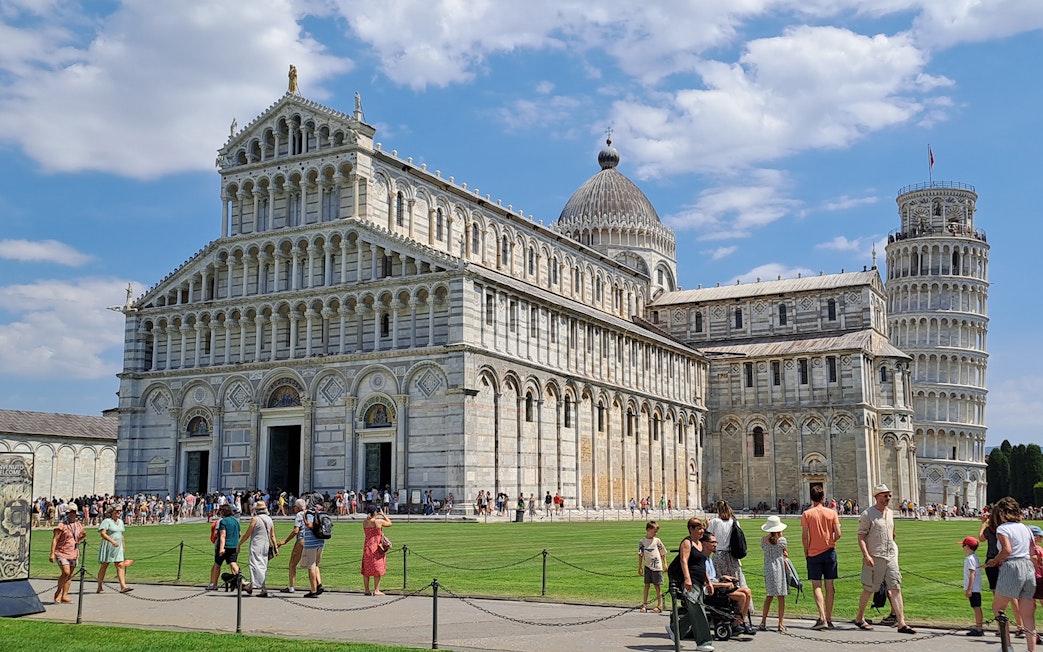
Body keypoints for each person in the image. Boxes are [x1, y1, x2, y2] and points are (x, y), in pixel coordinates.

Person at [853, 484, 915, 634]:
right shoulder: (868, 514)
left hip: (890, 556)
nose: (888, 498)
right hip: (875, 556)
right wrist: (866, 555)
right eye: (884, 496)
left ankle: (901, 623)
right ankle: (859, 618)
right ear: (876, 497)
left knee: (895, 587)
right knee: (869, 589)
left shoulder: (890, 513)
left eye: (889, 495)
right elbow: (861, 537)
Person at [983, 496, 1039, 651]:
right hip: (1028, 566)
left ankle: (1007, 646)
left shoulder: (1003, 528)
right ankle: (1031, 650)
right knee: (1028, 615)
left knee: (999, 608)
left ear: (1002, 513)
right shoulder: (1026, 528)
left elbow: (1007, 550)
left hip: (1012, 566)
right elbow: (1033, 551)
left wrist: (993, 561)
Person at [665, 518, 715, 652]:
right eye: (699, 529)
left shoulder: (700, 544)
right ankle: (703, 642)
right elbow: (683, 561)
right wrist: (687, 579)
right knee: (699, 610)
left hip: (699, 581)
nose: (702, 531)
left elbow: (702, 564)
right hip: (690, 582)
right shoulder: (687, 543)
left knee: (695, 610)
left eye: (702, 528)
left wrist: (708, 581)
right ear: (691, 529)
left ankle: (676, 629)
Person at [802, 483, 842, 629]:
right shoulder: (832, 513)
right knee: (830, 586)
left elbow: (805, 536)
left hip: (813, 553)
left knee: (816, 586)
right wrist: (830, 540)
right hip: (830, 552)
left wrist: (806, 551)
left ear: (811, 498)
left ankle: (822, 617)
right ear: (823, 498)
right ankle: (829, 618)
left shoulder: (807, 514)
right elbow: (838, 534)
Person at [703, 533, 756, 635]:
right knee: (741, 596)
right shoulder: (702, 560)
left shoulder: (709, 558)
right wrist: (724, 585)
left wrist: (723, 578)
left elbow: (713, 578)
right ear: (705, 544)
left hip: (717, 585)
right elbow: (705, 582)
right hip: (711, 591)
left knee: (747, 591)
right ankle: (736, 624)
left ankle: (740, 621)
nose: (715, 544)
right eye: (713, 542)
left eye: (716, 542)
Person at [706, 501, 750, 592]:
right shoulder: (734, 522)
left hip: (719, 555)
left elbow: (707, 537)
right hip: (732, 555)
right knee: (737, 580)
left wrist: (707, 525)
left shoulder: (714, 522)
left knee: (720, 581)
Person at [238, 500, 277, 597]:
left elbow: (247, 534)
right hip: (266, 544)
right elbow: (272, 535)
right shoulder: (269, 519)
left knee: (254, 564)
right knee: (263, 565)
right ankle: (259, 587)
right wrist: (275, 546)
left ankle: (255, 585)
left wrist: (239, 544)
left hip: (256, 544)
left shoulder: (255, 519)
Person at [758, 515, 790, 632]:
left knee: (769, 596)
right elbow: (785, 553)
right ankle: (780, 623)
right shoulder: (782, 541)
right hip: (779, 568)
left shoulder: (763, 540)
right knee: (781, 597)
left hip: (768, 568)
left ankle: (763, 621)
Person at [50, 506, 86, 603]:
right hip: (62, 552)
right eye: (70, 512)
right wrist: (52, 553)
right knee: (65, 572)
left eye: (74, 513)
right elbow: (55, 539)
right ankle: (58, 593)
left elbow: (78, 537)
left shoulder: (78, 525)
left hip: (73, 552)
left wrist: (82, 537)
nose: (72, 514)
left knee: (69, 575)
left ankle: (64, 596)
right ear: (67, 514)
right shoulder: (62, 525)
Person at [96, 505, 132, 593]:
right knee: (104, 566)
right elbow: (103, 534)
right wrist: (112, 541)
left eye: (120, 511)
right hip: (108, 545)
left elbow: (121, 535)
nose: (119, 512)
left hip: (118, 546)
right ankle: (99, 586)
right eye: (117, 511)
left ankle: (123, 586)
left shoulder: (120, 522)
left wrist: (123, 546)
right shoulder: (107, 521)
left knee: (120, 565)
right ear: (111, 512)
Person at [207, 504, 241, 591]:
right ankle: (241, 581)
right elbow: (239, 534)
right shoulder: (236, 521)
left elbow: (222, 536)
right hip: (233, 545)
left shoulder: (223, 521)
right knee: (233, 563)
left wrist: (221, 548)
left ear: (223, 512)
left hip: (224, 546)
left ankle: (214, 584)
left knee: (217, 565)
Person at [362, 503, 392, 595]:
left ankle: (367, 590)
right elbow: (390, 523)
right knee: (378, 568)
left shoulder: (365, 522)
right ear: (375, 512)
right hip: (376, 547)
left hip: (367, 546)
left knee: (366, 569)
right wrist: (383, 515)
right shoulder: (378, 521)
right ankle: (376, 590)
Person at [277, 498, 307, 593]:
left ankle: (291, 587)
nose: (294, 508)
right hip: (310, 541)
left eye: (295, 506)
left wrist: (285, 541)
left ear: (298, 508)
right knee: (312, 565)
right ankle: (316, 586)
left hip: (301, 540)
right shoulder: (308, 513)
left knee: (292, 564)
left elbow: (296, 531)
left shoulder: (299, 515)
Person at [637, 520, 667, 613]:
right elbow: (640, 555)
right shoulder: (642, 542)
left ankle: (659, 605)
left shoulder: (657, 541)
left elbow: (663, 553)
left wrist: (665, 563)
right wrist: (640, 567)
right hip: (647, 566)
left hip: (657, 566)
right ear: (648, 530)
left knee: (657, 586)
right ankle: (644, 605)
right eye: (654, 531)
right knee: (646, 585)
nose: (656, 533)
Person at [298, 500, 326, 598]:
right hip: (321, 540)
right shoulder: (321, 510)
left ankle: (313, 590)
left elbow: (309, 525)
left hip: (311, 542)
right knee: (316, 564)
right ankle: (319, 584)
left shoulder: (310, 512)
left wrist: (305, 520)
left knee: (311, 566)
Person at [961, 536, 985, 636]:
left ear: (967, 546)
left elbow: (972, 574)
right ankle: (979, 626)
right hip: (975, 587)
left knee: (976, 607)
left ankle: (979, 628)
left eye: (963, 546)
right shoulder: (974, 558)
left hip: (973, 588)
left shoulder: (970, 559)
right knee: (976, 607)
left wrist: (969, 589)